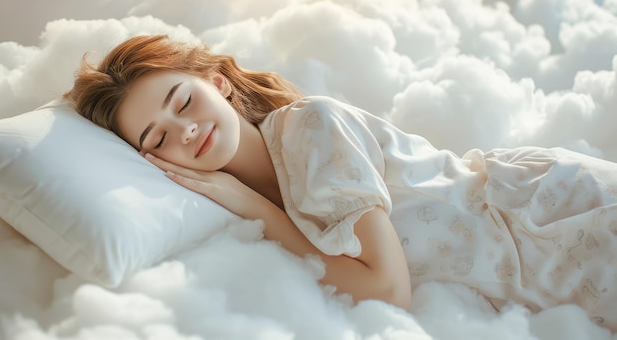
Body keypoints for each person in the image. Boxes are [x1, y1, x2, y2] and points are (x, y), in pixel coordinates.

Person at [65, 34, 617, 331]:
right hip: (510, 273)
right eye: (157, 139)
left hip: (542, 221)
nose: (185, 131)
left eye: (184, 101)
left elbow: (387, 290)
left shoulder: (310, 125)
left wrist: (253, 209)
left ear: (218, 83)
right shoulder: (231, 208)